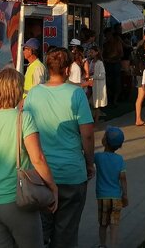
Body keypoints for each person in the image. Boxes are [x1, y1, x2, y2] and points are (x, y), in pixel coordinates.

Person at [0, 68, 57, 248]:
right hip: (17, 200)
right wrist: (52, 187)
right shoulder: (24, 118)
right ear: (16, 90)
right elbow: (37, 158)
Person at [24, 46, 95, 248]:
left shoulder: (34, 94)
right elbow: (87, 134)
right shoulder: (77, 94)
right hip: (72, 172)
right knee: (67, 231)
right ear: (66, 69)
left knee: (41, 230)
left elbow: (26, 130)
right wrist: (89, 163)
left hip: (41, 174)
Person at [94, 127, 128, 248]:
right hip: (117, 197)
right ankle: (113, 245)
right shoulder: (119, 159)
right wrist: (125, 195)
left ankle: (102, 245)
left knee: (103, 223)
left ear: (104, 141)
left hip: (103, 197)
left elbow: (87, 158)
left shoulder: (98, 157)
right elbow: (123, 178)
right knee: (114, 224)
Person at [101, 28, 124, 109]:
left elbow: (120, 54)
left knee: (117, 82)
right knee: (108, 82)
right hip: (108, 64)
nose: (107, 37)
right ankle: (110, 99)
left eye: (108, 35)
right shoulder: (105, 44)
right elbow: (103, 55)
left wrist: (111, 58)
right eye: (106, 35)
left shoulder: (117, 42)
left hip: (115, 64)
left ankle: (115, 100)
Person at [87, 47, 107, 123]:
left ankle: (96, 121)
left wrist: (92, 76)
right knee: (91, 102)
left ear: (96, 53)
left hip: (97, 85)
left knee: (97, 104)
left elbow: (102, 75)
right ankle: (93, 119)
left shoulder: (100, 63)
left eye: (92, 52)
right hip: (91, 85)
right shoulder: (92, 62)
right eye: (90, 52)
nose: (90, 54)